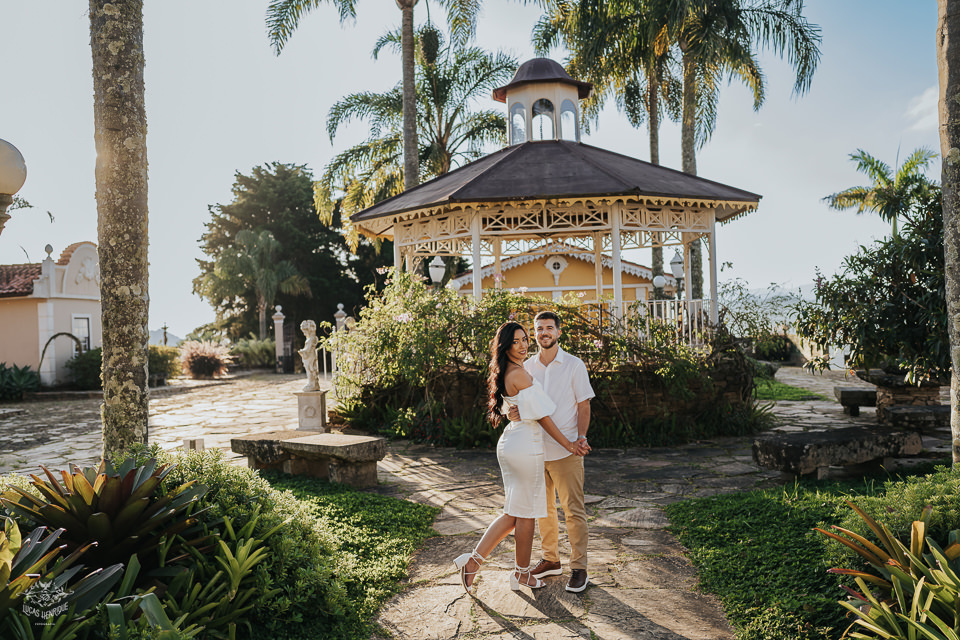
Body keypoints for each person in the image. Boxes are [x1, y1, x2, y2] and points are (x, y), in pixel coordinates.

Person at [453, 321, 583, 593]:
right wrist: (569, 445)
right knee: (525, 514)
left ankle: (474, 561)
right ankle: (520, 574)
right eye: (516, 341)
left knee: (514, 514)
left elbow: (511, 407)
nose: (523, 345)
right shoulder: (520, 374)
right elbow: (544, 417)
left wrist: (517, 411)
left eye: (525, 339)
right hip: (525, 445)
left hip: (515, 441)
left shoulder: (507, 371)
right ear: (505, 346)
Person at [506, 310, 594, 593]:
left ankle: (579, 568)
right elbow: (520, 404)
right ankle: (550, 559)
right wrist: (512, 413)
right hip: (534, 450)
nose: (543, 333)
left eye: (548, 328)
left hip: (567, 450)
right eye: (539, 329)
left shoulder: (574, 365)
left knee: (573, 511)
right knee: (542, 511)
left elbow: (584, 404)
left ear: (558, 332)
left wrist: (580, 437)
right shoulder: (526, 366)